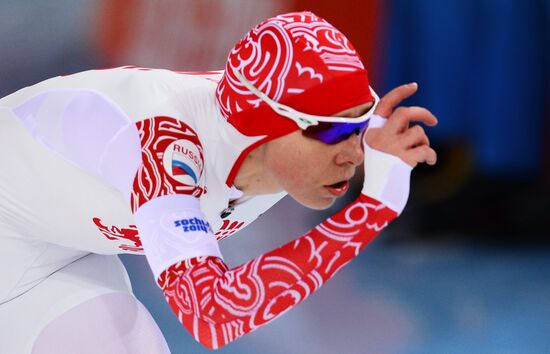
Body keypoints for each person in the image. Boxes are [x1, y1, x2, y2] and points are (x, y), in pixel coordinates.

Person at [0, 11, 437, 353]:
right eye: (331, 131)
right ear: (265, 123)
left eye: (361, 125)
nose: (355, 154)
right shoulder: (164, 144)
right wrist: (370, 212)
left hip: (64, 251)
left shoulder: (279, 134)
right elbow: (212, 315)